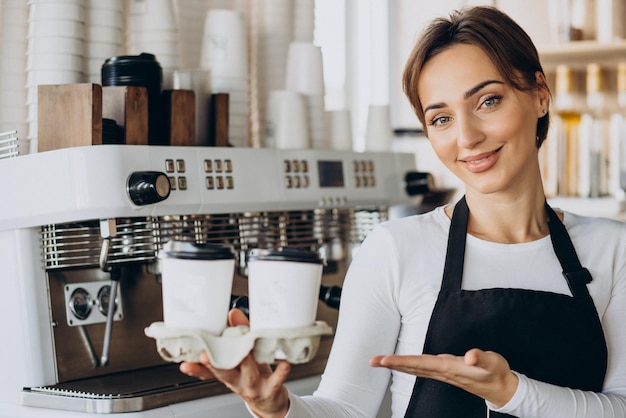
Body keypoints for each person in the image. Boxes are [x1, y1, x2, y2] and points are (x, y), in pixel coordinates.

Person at [180, 6, 626, 417]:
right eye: (441, 118)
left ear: (539, 95)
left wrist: (512, 393)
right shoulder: (396, 250)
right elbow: (344, 408)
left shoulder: (613, 248)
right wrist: (276, 407)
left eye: (488, 101)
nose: (467, 137)